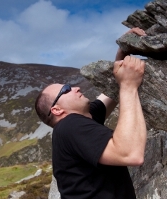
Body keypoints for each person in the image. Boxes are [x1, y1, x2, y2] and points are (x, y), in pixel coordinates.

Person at [35, 28, 147, 199]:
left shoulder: (81, 119)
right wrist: (129, 86)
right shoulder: (70, 125)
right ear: (57, 110)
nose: (75, 88)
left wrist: (122, 56)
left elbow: (112, 92)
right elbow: (131, 154)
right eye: (66, 89)